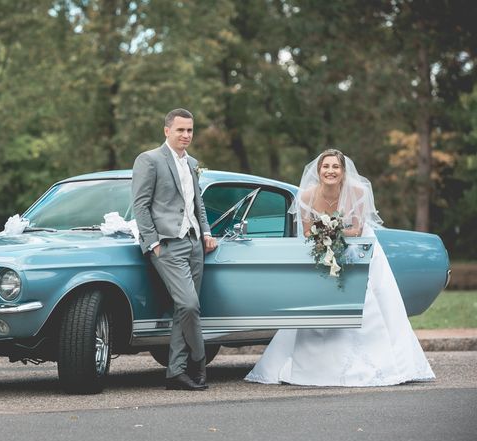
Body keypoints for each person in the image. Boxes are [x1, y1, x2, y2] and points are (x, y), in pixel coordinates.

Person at [245, 149, 435, 387]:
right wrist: (323, 235)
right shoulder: (306, 197)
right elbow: (306, 232)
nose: (330, 171)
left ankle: (383, 363)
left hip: (358, 250)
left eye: (335, 167)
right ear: (319, 170)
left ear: (343, 172)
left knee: (369, 303)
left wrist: (331, 230)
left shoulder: (358, 192)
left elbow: (356, 230)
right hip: (321, 249)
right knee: (319, 303)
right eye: (326, 167)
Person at [132, 108, 217, 391]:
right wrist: (153, 243)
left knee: (185, 309)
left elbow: (198, 204)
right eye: (180, 130)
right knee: (189, 305)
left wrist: (205, 232)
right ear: (167, 130)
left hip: (194, 244)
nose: (186, 135)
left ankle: (176, 372)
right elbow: (140, 204)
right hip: (167, 244)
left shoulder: (192, 162)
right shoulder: (150, 160)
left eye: (190, 130)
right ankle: (199, 361)